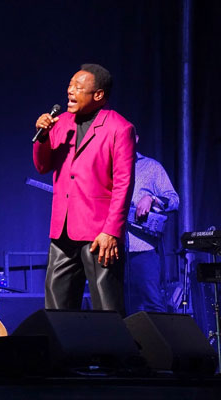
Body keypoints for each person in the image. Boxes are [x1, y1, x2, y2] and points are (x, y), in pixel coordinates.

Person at [33, 63, 136, 315]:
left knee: (107, 309)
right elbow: (43, 166)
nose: (70, 91)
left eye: (78, 88)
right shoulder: (61, 123)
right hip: (62, 232)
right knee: (57, 312)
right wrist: (43, 137)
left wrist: (112, 231)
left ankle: (113, 356)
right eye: (69, 85)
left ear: (98, 95)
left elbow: (124, 183)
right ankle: (65, 356)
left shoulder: (119, 128)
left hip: (99, 235)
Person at [126, 134, 179, 315]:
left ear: (136, 139)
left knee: (153, 305)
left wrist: (152, 198)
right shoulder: (106, 168)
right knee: (115, 305)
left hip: (143, 248)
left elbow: (174, 200)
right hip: (113, 247)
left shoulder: (151, 167)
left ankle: (158, 344)